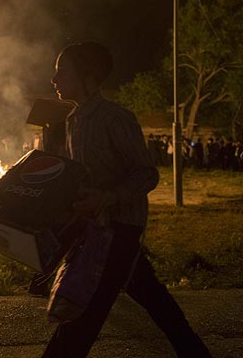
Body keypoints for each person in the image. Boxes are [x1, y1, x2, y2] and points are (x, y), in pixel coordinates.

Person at [44, 42, 211, 358]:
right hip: (96, 228)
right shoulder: (73, 120)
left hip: (120, 230)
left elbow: (146, 174)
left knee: (84, 313)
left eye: (62, 72)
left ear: (89, 77)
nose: (54, 80)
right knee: (153, 297)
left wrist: (108, 198)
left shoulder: (115, 118)